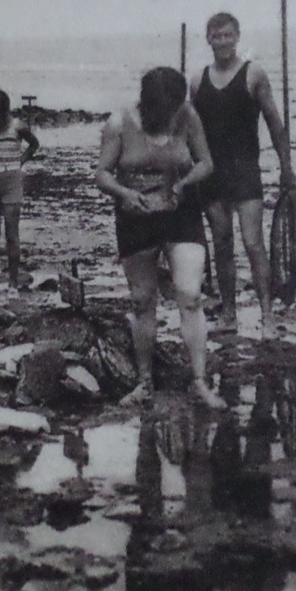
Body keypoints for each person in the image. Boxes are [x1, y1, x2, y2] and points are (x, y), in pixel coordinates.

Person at [95, 67, 224, 409]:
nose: (169, 118)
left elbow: (207, 162)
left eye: (173, 110)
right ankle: (144, 382)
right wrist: (123, 193)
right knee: (142, 300)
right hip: (135, 218)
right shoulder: (119, 123)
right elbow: (102, 173)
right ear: (146, 104)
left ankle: (199, 381)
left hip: (181, 213)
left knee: (190, 294)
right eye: (162, 111)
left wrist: (184, 183)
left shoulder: (187, 116)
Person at [190, 12, 296, 334]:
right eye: (216, 36)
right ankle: (229, 315)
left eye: (227, 35)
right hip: (212, 173)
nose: (222, 41)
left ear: (237, 37)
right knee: (221, 244)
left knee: (253, 243)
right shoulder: (198, 80)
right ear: (208, 39)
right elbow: (191, 132)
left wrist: (286, 167)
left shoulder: (253, 75)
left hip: (245, 171)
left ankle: (267, 317)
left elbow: (275, 124)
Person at [0, 88, 40, 298]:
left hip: (12, 184)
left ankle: (12, 283)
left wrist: (20, 161)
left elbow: (34, 144)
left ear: (4, 112)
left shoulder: (18, 127)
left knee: (12, 236)